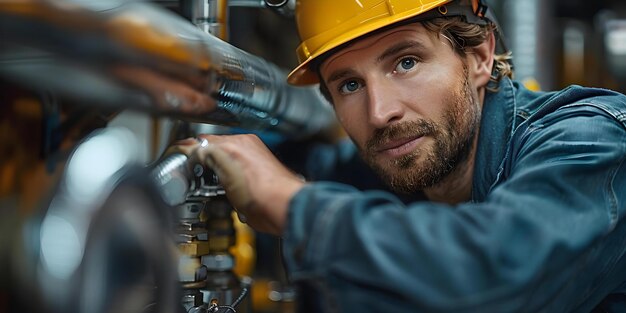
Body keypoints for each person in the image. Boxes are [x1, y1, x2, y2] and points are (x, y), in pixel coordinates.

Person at [173, 0, 626, 311]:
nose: (380, 112)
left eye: (405, 62)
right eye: (349, 84)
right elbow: (315, 167)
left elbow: (497, 275)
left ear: (479, 57)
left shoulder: (590, 137)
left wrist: (293, 205)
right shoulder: (396, 167)